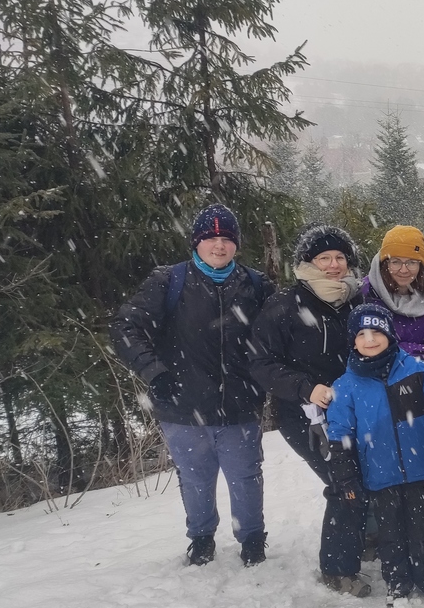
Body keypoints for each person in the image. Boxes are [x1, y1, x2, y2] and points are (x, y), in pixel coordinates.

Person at [113, 204, 273, 567]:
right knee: (195, 478)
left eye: (227, 239)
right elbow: (125, 328)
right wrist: (155, 372)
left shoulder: (255, 285)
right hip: (183, 405)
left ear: (236, 245)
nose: (219, 246)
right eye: (211, 239)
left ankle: (252, 539)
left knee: (245, 477)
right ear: (196, 243)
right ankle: (201, 538)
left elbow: (277, 334)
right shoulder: (169, 282)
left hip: (239, 403)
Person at [248, 223, 366, 584]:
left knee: (367, 477)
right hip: (305, 417)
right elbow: (259, 361)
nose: (334, 265)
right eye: (324, 258)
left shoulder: (357, 301)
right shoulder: (285, 306)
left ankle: (372, 537)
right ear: (308, 263)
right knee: (344, 483)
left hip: (354, 411)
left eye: (340, 258)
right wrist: (305, 387)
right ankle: (337, 569)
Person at [324, 304, 424, 604]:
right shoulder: (345, 386)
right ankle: (398, 582)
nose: (370, 339)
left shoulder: (418, 371)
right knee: (390, 534)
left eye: (377, 332)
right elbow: (340, 434)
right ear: (353, 340)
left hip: (421, 469)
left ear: (390, 335)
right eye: (362, 334)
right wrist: (345, 474)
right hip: (379, 474)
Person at [360, 225, 424, 367]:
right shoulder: (364, 293)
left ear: (421, 265)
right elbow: (360, 346)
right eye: (395, 262)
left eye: (411, 262)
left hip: (419, 374)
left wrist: (392, 349)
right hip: (372, 375)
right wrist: (416, 350)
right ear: (385, 263)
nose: (404, 270)